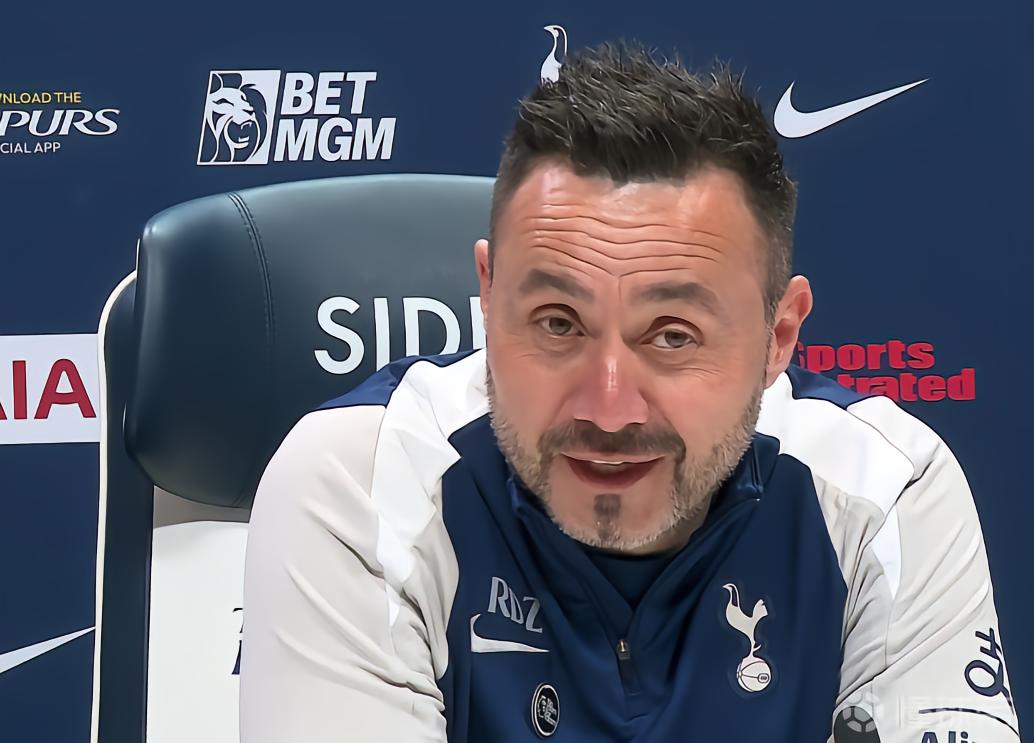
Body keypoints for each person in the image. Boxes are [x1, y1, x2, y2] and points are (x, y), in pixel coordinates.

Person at [239, 41, 1020, 742]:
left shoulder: (887, 494)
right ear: (487, 295)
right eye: (558, 323)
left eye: (672, 336)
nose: (608, 407)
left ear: (778, 337)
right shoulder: (360, 482)